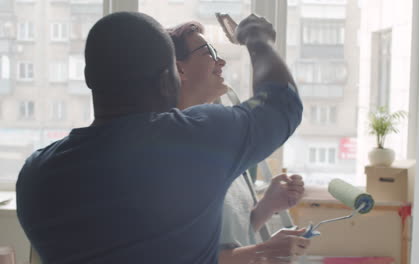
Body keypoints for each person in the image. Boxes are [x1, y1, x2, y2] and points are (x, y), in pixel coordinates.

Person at [16, 11, 303, 264]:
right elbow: (282, 104)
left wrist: (264, 209)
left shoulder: (35, 175)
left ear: (89, 76)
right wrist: (257, 37)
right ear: (170, 77)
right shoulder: (196, 142)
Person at [168, 22, 310, 264]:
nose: (221, 62)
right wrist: (262, 251)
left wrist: (265, 208)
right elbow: (176, 254)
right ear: (179, 69)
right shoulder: (171, 150)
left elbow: (223, 238)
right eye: (209, 53)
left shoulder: (218, 145)